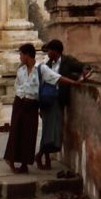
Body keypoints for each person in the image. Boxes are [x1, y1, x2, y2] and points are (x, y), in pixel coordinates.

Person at [3, 42, 86, 174]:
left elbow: (57, 78)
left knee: (29, 134)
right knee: (16, 132)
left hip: (32, 105)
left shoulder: (41, 68)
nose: (20, 57)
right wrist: (22, 96)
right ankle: (11, 159)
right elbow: (17, 86)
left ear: (27, 55)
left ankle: (24, 164)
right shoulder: (21, 70)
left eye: (21, 55)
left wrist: (74, 83)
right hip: (20, 103)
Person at [35, 39, 91, 170]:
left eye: (49, 50)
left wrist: (84, 72)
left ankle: (42, 155)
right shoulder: (47, 65)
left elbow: (82, 66)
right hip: (48, 100)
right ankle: (44, 156)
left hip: (58, 99)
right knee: (48, 130)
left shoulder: (67, 61)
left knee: (54, 131)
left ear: (56, 51)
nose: (48, 53)